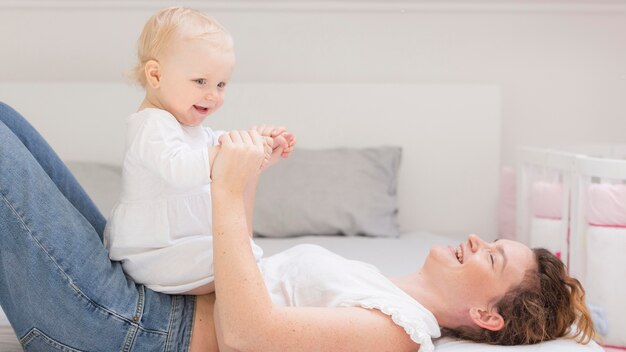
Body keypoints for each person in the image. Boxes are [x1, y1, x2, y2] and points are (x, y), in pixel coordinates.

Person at [0, 102, 595, 351]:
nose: (476, 241)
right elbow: (245, 278)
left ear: (487, 316)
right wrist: (251, 172)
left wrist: (228, 191)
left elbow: (246, 335)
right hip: (139, 299)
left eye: (491, 258)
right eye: (492, 241)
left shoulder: (399, 334)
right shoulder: (380, 285)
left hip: (126, 329)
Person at [104, 7, 296, 295]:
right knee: (240, 261)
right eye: (200, 81)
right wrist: (231, 153)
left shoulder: (190, 128)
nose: (213, 95)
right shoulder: (151, 125)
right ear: (156, 75)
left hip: (176, 247)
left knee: (242, 256)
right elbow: (181, 168)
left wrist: (257, 146)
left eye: (221, 84)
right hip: (153, 253)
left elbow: (220, 146)